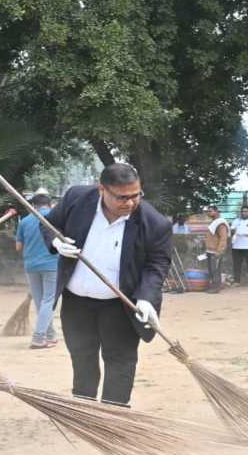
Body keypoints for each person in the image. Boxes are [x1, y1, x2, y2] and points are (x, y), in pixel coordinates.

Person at [46, 163, 173, 406]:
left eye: (136, 195)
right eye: (122, 197)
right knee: (82, 355)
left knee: (121, 359)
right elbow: (48, 224)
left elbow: (157, 264)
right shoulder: (77, 198)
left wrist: (146, 298)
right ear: (101, 189)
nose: (130, 203)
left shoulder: (154, 223)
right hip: (77, 302)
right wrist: (56, 243)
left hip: (120, 305)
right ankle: (83, 406)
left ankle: (114, 413)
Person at [16, 190, 61, 349]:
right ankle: (38, 337)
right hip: (51, 264)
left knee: (40, 302)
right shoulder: (56, 218)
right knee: (48, 301)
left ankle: (51, 335)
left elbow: (18, 247)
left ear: (33, 205)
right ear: (50, 204)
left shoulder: (25, 221)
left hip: (31, 265)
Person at [204, 205, 228, 293]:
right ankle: (212, 286)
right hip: (210, 250)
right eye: (208, 211)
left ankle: (216, 287)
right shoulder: (214, 222)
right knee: (211, 269)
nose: (209, 213)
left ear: (217, 211)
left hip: (216, 250)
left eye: (211, 211)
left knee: (216, 269)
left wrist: (219, 251)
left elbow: (223, 238)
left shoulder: (220, 223)